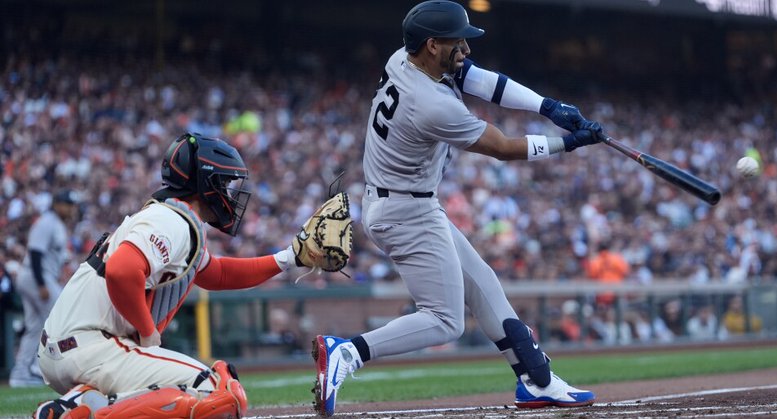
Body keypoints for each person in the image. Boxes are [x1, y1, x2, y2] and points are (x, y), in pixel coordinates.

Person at [311, 1, 603, 416]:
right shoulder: (431, 104)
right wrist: (567, 143)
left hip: (404, 202)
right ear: (432, 45)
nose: (465, 48)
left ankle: (536, 380)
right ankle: (349, 351)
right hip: (404, 212)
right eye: (457, 42)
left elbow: (479, 79)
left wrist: (548, 107)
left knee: (483, 283)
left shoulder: (404, 58)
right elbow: (502, 148)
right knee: (445, 320)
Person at [32, 133, 303, 419]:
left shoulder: (170, 217)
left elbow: (219, 274)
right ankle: (79, 411)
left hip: (70, 350)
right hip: (93, 347)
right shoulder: (173, 221)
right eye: (224, 182)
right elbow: (121, 271)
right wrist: (148, 332)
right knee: (219, 395)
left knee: (210, 392)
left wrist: (288, 258)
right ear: (205, 184)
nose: (229, 193)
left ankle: (81, 404)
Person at [9, 189, 79, 388]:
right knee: (59, 316)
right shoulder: (47, 222)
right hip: (35, 276)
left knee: (35, 327)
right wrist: (41, 284)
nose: (70, 208)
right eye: (67, 204)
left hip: (39, 277)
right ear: (56, 204)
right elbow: (35, 253)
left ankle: (21, 373)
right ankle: (38, 367)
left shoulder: (56, 224)